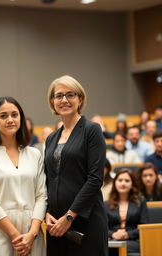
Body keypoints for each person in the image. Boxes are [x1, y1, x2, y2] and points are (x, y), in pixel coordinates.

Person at [0, 96, 47, 256]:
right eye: (3, 116)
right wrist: (16, 236)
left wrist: (33, 233)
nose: (10, 120)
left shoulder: (35, 154)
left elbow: (41, 196)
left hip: (32, 233)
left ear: (21, 118)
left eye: (15, 115)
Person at [45, 75, 108, 255]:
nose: (64, 100)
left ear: (80, 99)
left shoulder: (92, 130)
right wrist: (47, 212)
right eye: (59, 96)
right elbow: (48, 179)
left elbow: (95, 179)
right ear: (52, 101)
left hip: (85, 222)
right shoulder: (51, 138)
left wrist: (70, 216)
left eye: (70, 95)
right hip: (56, 224)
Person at [104, 169, 148, 256]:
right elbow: (103, 227)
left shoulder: (140, 201)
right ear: (115, 183)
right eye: (120, 180)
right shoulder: (106, 204)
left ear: (132, 184)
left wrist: (128, 234)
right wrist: (113, 234)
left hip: (134, 240)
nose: (123, 183)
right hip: (112, 240)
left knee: (117, 248)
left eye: (127, 180)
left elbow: (144, 226)